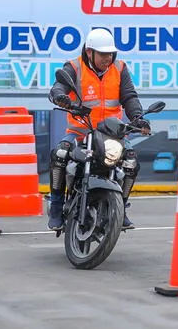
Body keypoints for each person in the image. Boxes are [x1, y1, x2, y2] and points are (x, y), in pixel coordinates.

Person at [47, 28, 151, 231]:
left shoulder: (120, 68)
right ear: (89, 52)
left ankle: (121, 206)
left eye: (110, 53)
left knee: (131, 160)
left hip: (113, 134)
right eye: (103, 54)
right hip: (81, 132)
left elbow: (129, 97)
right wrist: (61, 97)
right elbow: (57, 87)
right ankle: (56, 206)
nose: (108, 58)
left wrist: (138, 118)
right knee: (59, 154)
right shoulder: (74, 67)